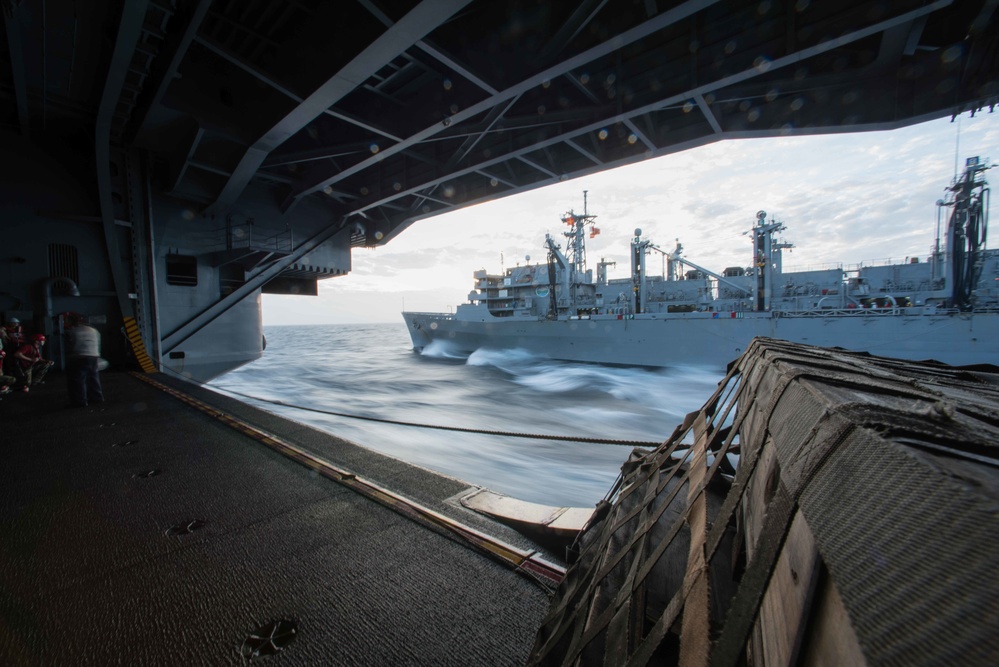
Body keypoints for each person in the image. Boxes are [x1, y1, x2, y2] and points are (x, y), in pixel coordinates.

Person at [66, 316, 104, 407]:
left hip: (81, 357)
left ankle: (80, 401)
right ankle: (97, 398)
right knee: (94, 377)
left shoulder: (75, 331)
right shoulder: (95, 331)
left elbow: (73, 345)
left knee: (79, 380)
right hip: (94, 356)